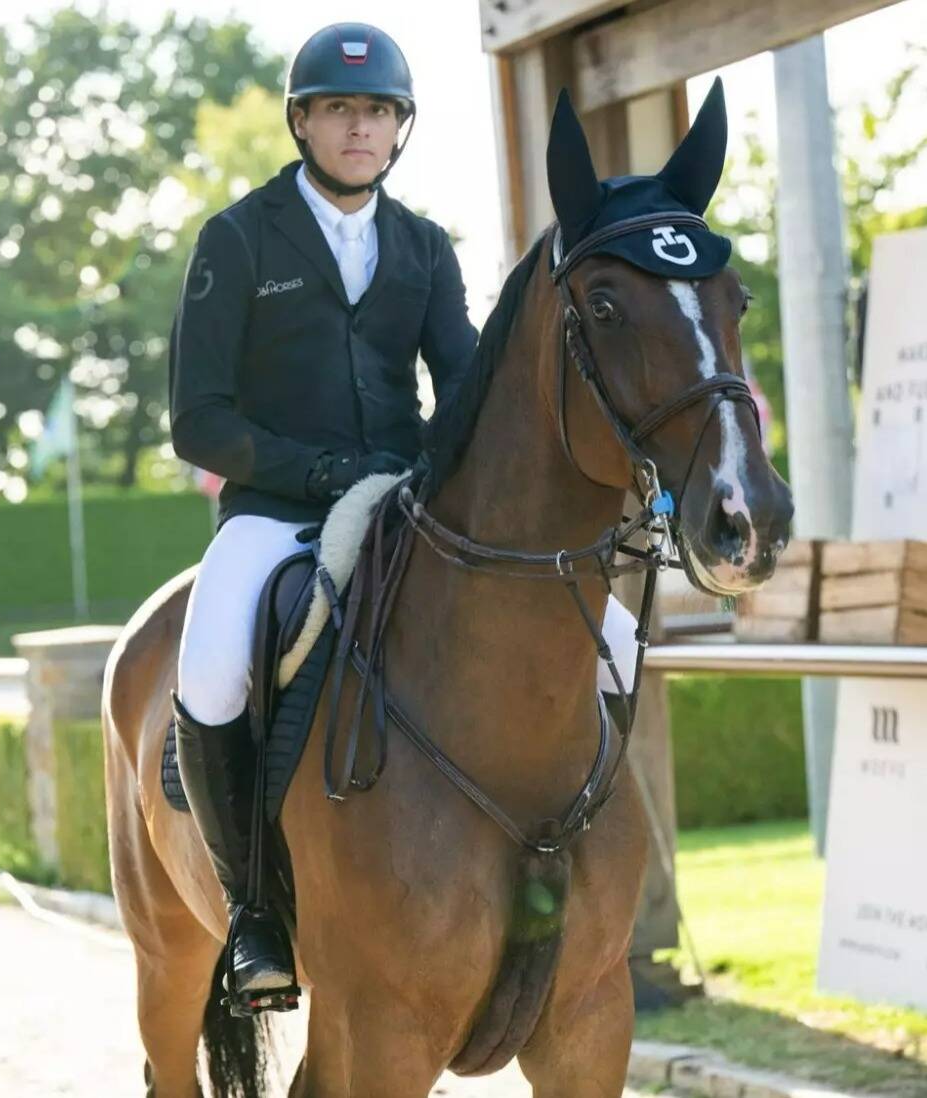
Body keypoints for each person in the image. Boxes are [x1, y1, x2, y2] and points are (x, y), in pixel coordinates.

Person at [167, 21, 641, 1010]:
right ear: (302, 121)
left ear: (399, 131)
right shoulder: (238, 239)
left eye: (378, 112)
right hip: (275, 517)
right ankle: (255, 910)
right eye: (340, 110)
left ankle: (570, 876)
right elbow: (199, 420)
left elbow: (463, 386)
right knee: (211, 662)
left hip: (400, 503)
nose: (359, 129)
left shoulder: (423, 247)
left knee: (622, 640)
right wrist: (315, 468)